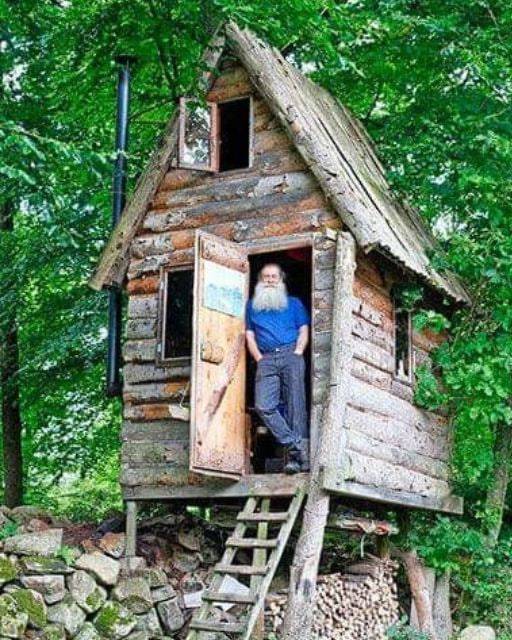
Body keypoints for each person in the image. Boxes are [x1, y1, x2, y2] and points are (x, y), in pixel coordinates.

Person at [245, 263, 310, 474]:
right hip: (266, 358)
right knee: (263, 405)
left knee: (295, 405)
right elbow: (249, 335)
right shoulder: (252, 306)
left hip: (291, 354)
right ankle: (294, 444)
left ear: (280, 280)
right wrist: (258, 357)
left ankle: (296, 461)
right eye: (266, 277)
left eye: (274, 277)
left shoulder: (294, 303)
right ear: (260, 281)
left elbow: (303, 330)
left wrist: (298, 352)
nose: (270, 280)